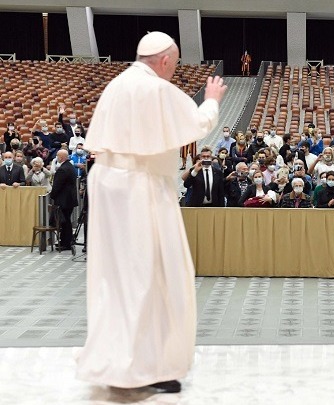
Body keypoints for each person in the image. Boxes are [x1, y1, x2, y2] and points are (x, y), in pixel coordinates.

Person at [77, 32, 227, 393]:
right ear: (164, 61)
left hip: (108, 182)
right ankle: (147, 366)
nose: (173, 72)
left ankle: (116, 361)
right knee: (155, 272)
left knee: (115, 276)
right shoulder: (155, 89)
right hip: (139, 187)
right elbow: (197, 124)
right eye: (174, 65)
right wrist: (211, 100)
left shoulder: (117, 84)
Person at [49, 149, 78, 251]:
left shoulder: (63, 169)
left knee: (65, 222)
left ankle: (66, 243)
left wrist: (52, 196)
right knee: (66, 221)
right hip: (69, 199)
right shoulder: (70, 166)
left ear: (61, 157)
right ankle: (65, 241)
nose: (57, 157)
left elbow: (57, 186)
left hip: (64, 200)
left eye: (58, 156)